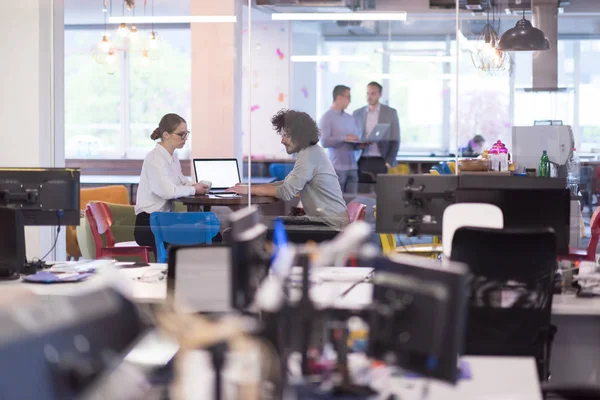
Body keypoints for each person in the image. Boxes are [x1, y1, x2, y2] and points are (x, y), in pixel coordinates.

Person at [227, 109, 349, 230]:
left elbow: (286, 192)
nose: (282, 140)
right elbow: (286, 184)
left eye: (286, 135)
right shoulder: (310, 152)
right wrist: (250, 188)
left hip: (330, 226)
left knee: (259, 229)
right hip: (328, 222)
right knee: (266, 224)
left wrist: (249, 189)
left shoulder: (309, 155)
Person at [134, 113, 209, 250]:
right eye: (181, 134)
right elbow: (168, 192)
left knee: (209, 231)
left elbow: (181, 182)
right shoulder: (154, 159)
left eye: (186, 134)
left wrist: (197, 186)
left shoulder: (173, 157)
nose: (185, 138)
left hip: (164, 221)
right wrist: (194, 189)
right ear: (166, 135)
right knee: (208, 234)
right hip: (149, 225)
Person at [353, 81, 400, 184]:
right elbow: (353, 138)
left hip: (382, 160)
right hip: (362, 159)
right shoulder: (357, 113)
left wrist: (388, 161)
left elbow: (395, 139)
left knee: (382, 194)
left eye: (373, 93)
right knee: (363, 193)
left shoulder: (390, 113)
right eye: (368, 93)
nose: (369, 97)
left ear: (380, 94)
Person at [319, 85, 362, 194]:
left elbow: (355, 140)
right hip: (336, 168)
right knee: (336, 204)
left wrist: (360, 144)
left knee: (353, 203)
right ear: (339, 98)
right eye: (348, 97)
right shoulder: (326, 117)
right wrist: (344, 138)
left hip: (353, 167)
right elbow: (324, 141)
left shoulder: (350, 118)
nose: (350, 100)